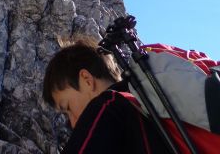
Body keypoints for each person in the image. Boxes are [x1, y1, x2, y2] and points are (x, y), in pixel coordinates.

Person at [42, 39, 171, 153]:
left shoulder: (108, 105)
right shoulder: (142, 106)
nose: (73, 123)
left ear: (87, 80)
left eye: (68, 107)